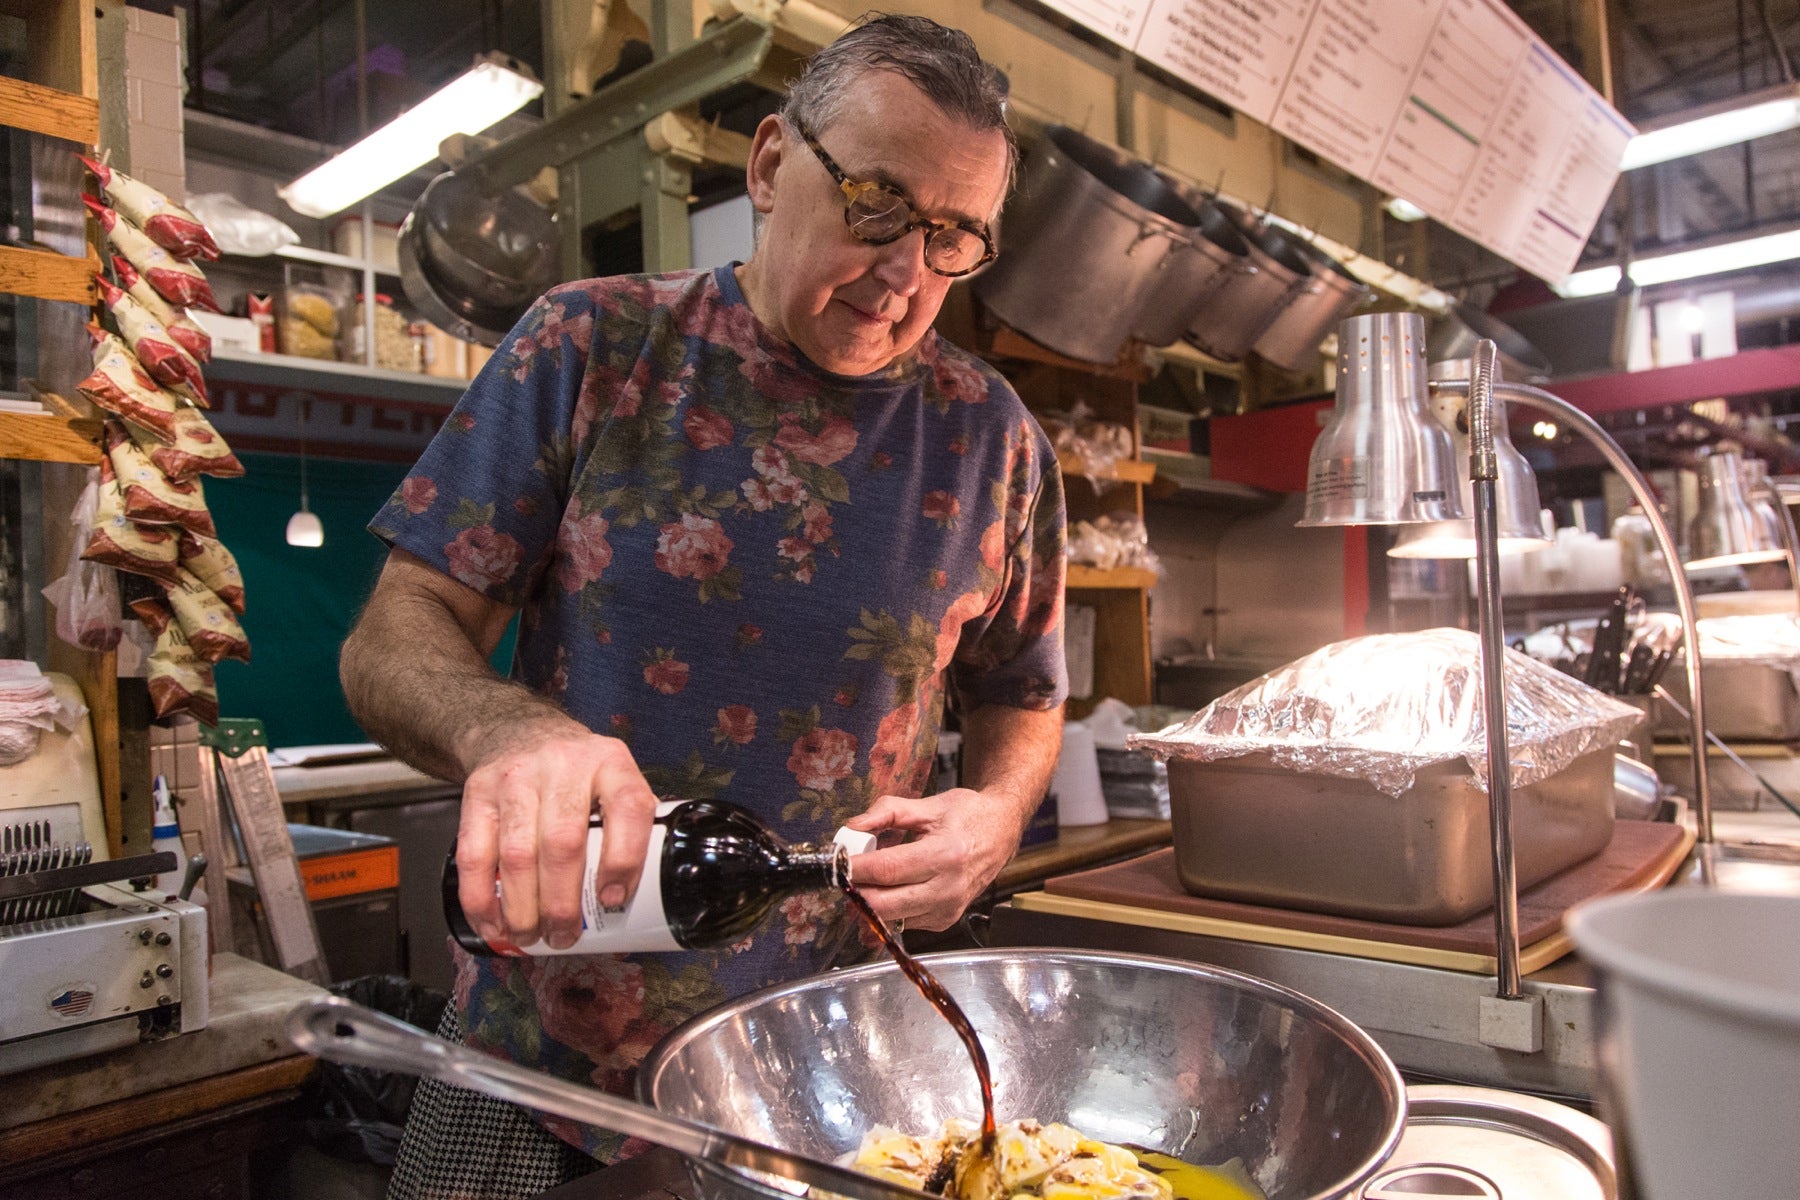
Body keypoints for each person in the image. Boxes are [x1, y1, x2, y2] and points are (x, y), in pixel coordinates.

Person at [340, 14, 1067, 1198]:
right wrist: (505, 731)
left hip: (835, 1078)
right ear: (773, 166)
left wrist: (993, 815)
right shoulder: (589, 347)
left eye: (951, 239)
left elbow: (1025, 694)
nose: (904, 274)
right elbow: (389, 637)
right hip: (543, 1059)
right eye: (877, 205)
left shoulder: (995, 441)